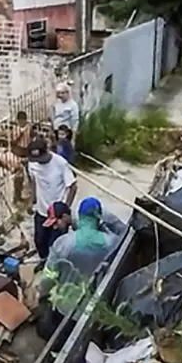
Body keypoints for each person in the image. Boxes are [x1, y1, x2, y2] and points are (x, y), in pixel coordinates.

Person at [37, 197, 127, 339]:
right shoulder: (112, 243)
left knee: (56, 336)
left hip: (64, 307)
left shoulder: (63, 243)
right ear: (98, 217)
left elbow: (47, 279)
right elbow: (125, 232)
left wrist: (43, 294)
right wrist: (105, 221)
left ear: (79, 216)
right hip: (94, 310)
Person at [27, 138, 77, 263]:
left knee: (57, 245)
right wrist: (32, 199)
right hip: (41, 211)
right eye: (35, 160)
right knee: (39, 241)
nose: (37, 162)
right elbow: (33, 181)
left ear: (46, 152)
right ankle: (44, 261)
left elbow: (73, 186)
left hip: (56, 214)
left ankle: (56, 266)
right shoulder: (32, 164)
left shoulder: (60, 163)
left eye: (39, 159)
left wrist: (65, 208)